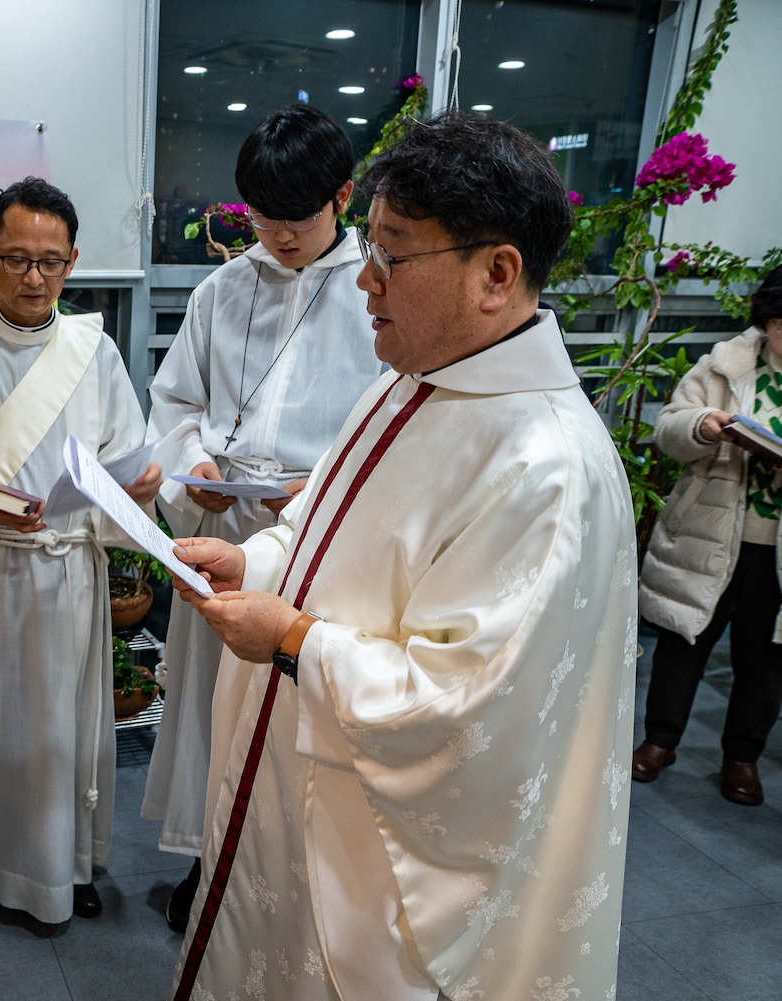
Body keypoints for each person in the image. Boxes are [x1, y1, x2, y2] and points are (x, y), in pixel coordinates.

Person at [164, 111, 638, 1001]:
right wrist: (257, 565)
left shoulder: (545, 466)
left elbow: (460, 709)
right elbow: (324, 528)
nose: (363, 280)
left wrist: (293, 638)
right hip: (298, 784)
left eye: (391, 255)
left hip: (381, 863)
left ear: (496, 274)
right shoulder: (408, 381)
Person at [141, 103, 387, 930]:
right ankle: (210, 855)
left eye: (297, 219)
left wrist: (319, 487)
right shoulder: (223, 289)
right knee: (213, 702)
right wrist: (195, 468)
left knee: (292, 713)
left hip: (323, 539)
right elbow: (176, 401)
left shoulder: (377, 292)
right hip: (226, 530)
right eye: (262, 218)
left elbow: (390, 423)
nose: (278, 236)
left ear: (344, 196)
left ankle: (287, 871)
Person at [0, 177, 161, 935]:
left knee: (61, 734)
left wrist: (138, 485)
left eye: (50, 261)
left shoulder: (94, 352)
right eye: (16, 258)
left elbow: (125, 452)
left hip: (68, 571)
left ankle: (67, 867)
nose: (34, 277)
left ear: (72, 261)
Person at [634, 266, 782, 805]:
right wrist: (702, 426)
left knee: (765, 659)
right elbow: (668, 429)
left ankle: (742, 758)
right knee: (683, 639)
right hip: (709, 531)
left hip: (775, 551)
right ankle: (659, 741)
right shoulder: (725, 365)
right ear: (766, 321)